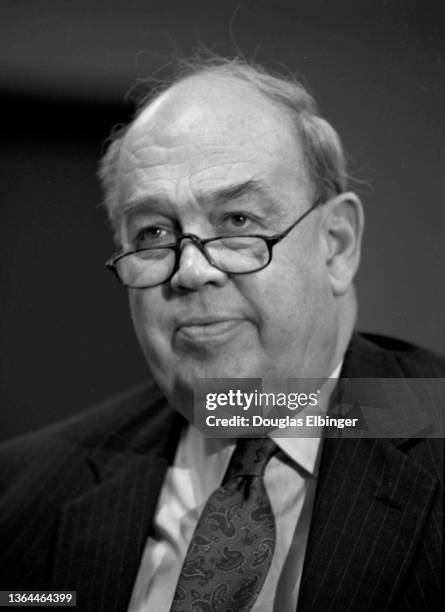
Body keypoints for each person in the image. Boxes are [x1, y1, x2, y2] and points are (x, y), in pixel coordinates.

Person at [0, 55, 442, 611]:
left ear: (336, 244)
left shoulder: (431, 428)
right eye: (154, 232)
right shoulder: (20, 494)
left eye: (237, 221)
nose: (190, 270)